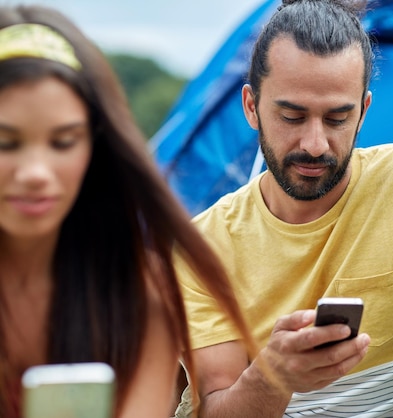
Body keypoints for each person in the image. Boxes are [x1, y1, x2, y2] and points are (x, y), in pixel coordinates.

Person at [174, 0, 393, 416]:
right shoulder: (203, 245)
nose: (315, 145)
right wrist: (273, 375)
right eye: (292, 116)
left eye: (336, 118)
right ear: (251, 107)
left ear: (363, 111)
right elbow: (213, 406)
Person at [0, 5, 255, 418]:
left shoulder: (139, 294)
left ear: (95, 149)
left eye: (63, 142)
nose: (35, 173)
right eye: (6, 143)